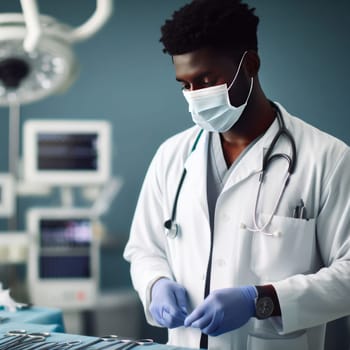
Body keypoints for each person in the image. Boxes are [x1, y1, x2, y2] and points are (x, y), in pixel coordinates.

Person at [123, 1, 350, 349]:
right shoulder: (173, 156)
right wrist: (155, 284)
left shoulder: (328, 158)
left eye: (207, 80)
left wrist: (259, 300)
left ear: (251, 65)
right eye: (185, 84)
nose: (195, 96)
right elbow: (144, 249)